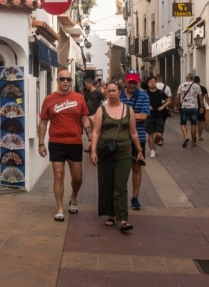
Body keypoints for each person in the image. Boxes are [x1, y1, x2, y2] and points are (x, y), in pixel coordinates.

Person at [90, 81, 143, 232]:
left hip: (124, 152)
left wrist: (139, 150)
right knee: (107, 183)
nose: (112, 93)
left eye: (114, 90)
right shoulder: (101, 110)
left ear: (120, 92)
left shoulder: (128, 110)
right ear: (105, 92)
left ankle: (123, 219)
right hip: (105, 153)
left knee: (120, 185)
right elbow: (95, 132)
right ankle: (111, 214)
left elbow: (133, 133)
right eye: (109, 91)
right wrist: (93, 151)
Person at [38, 69, 91, 221]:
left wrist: (92, 138)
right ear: (57, 81)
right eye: (62, 79)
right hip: (56, 142)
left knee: (77, 177)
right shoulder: (49, 99)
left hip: (74, 142)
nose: (65, 82)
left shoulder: (79, 98)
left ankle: (73, 197)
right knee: (59, 175)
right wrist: (41, 143)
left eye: (68, 79)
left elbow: (85, 119)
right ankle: (60, 208)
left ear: (71, 81)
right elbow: (43, 122)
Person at [120, 72, 150, 210]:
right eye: (130, 82)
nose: (132, 85)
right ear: (126, 82)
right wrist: (134, 116)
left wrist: (123, 116)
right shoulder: (118, 94)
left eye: (134, 83)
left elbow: (144, 116)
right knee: (120, 167)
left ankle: (135, 197)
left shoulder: (143, 96)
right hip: (119, 137)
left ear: (138, 83)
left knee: (136, 167)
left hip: (139, 136)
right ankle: (120, 196)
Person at [174, 72, 204, 148]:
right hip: (194, 107)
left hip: (184, 107)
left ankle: (186, 137)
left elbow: (177, 97)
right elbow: (200, 98)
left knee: (183, 124)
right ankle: (193, 142)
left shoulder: (181, 85)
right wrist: (201, 107)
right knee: (193, 124)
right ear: (193, 78)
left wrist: (175, 106)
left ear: (187, 77)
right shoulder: (197, 86)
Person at [146, 76, 171, 158]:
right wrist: (147, 106)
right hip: (149, 116)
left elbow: (169, 100)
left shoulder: (160, 92)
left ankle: (155, 144)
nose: (152, 83)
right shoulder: (145, 93)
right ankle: (152, 151)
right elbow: (142, 102)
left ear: (156, 82)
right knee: (150, 134)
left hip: (159, 116)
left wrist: (163, 107)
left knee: (159, 135)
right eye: (150, 81)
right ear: (148, 83)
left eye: (153, 81)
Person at [82, 78, 105, 153]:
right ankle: (91, 144)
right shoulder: (87, 93)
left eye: (86, 85)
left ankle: (95, 146)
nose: (85, 86)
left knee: (96, 131)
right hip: (88, 114)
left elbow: (105, 99)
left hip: (95, 114)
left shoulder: (98, 92)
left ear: (90, 84)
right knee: (90, 131)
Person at [155, 75, 172, 144]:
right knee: (162, 123)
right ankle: (160, 138)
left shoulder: (153, 86)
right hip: (164, 107)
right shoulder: (167, 87)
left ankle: (157, 136)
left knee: (155, 123)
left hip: (155, 107)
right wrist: (169, 108)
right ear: (163, 80)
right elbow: (170, 98)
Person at [194, 76, 209, 141]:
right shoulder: (203, 88)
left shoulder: (191, 88)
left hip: (192, 106)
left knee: (193, 123)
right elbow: (206, 97)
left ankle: (193, 136)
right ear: (199, 81)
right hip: (200, 107)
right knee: (200, 122)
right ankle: (199, 136)